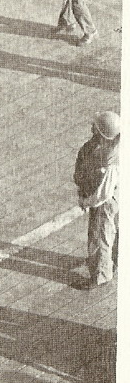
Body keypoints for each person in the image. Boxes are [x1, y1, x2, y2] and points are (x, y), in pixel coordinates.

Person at [72, 110, 120, 289]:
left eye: (96, 128)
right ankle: (113, 261)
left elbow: (103, 194)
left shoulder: (110, 162)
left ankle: (101, 276)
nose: (92, 128)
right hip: (118, 194)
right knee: (114, 232)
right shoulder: (117, 147)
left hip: (106, 202)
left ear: (102, 134)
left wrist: (86, 202)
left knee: (100, 237)